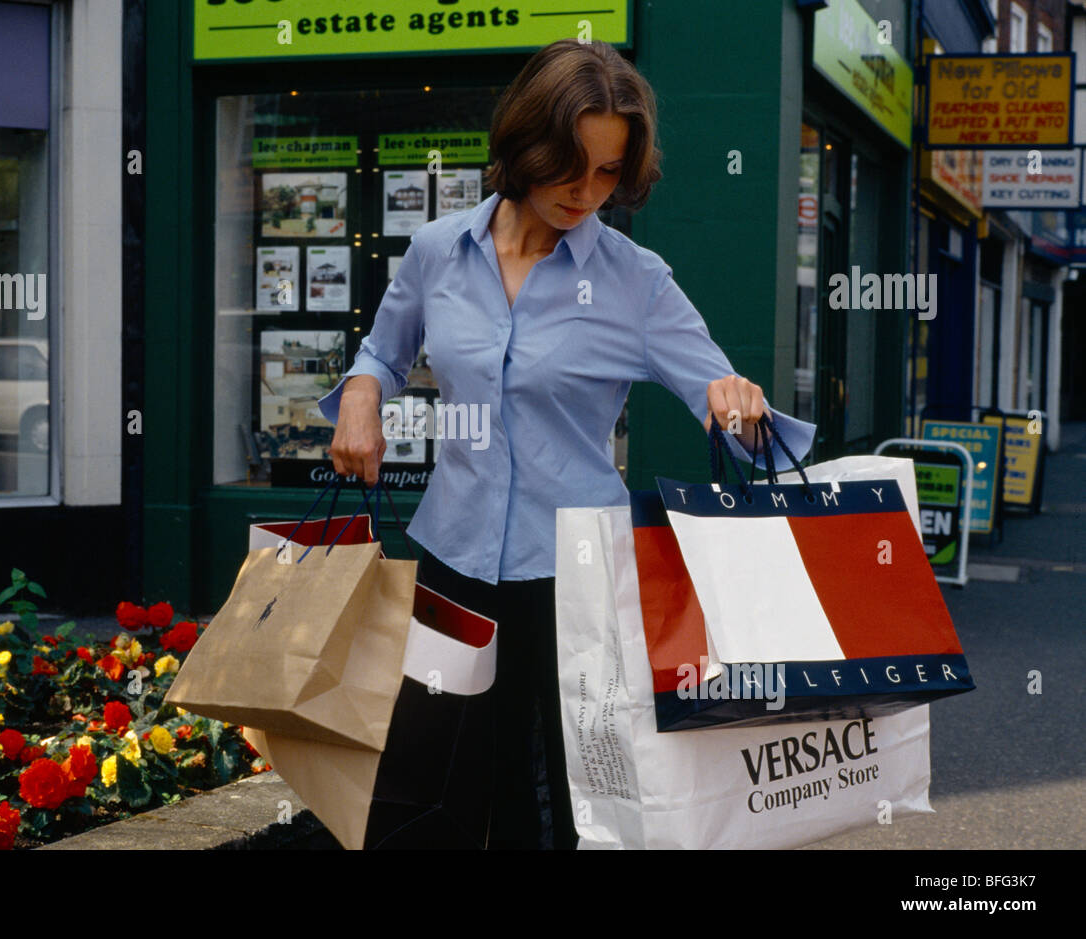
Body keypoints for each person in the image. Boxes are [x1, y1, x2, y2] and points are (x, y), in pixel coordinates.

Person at [317, 39, 815, 850]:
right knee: (432, 785)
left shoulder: (636, 281)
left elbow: (736, 414)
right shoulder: (440, 251)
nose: (589, 193)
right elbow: (384, 349)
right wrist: (364, 394)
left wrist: (739, 404)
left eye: (610, 174)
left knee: (558, 804)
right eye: (569, 168)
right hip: (453, 566)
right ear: (522, 147)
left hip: (577, 584)